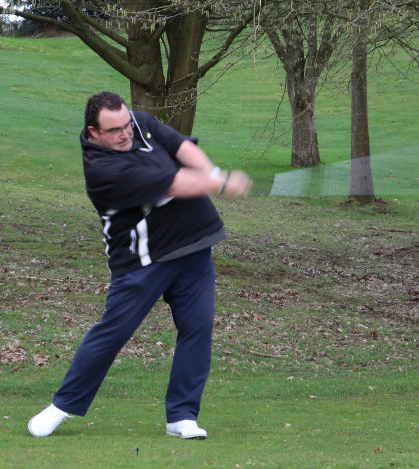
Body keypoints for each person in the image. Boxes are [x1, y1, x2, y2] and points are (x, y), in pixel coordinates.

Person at [28, 91, 252, 439]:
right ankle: (63, 405)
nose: (125, 132)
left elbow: (180, 147)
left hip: (193, 246)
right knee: (113, 332)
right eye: (115, 130)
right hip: (144, 261)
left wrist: (213, 171)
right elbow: (176, 184)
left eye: (126, 124)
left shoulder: (137, 122)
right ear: (94, 132)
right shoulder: (103, 171)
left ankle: (182, 415)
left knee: (198, 327)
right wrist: (221, 184)